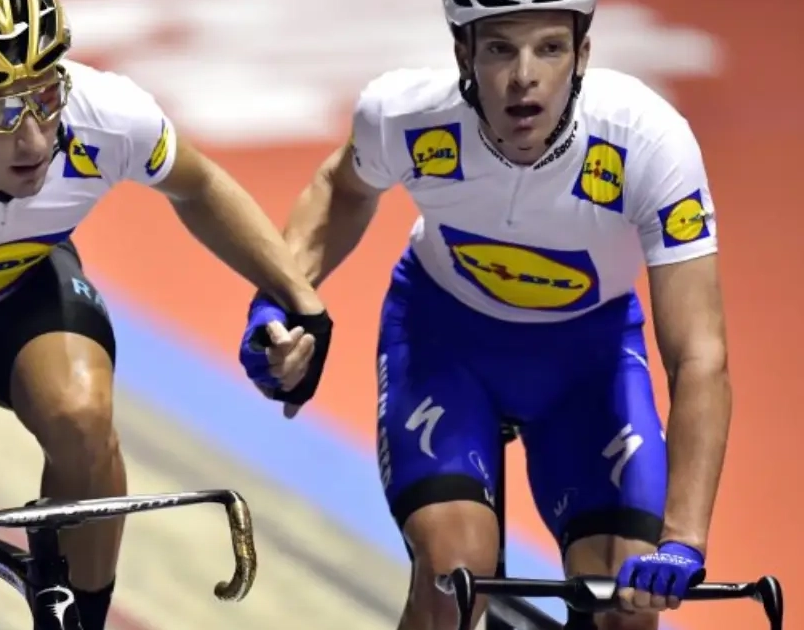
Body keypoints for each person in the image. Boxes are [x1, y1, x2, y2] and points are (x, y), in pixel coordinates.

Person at [0, 1, 332, 629]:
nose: (34, 138)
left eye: (45, 95)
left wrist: (301, 303)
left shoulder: (103, 112)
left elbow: (200, 186)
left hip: (19, 283)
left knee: (81, 419)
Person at [238, 0, 731, 628]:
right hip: (446, 345)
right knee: (452, 575)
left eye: (549, 48)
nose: (524, 76)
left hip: (587, 366)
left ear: (582, 54)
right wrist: (280, 303)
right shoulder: (407, 116)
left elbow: (699, 357)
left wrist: (682, 539)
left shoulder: (649, 143)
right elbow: (340, 188)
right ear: (463, 54)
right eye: (500, 48)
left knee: (624, 606)